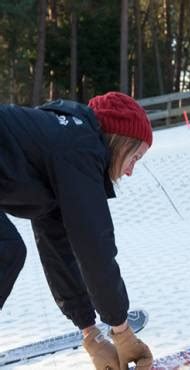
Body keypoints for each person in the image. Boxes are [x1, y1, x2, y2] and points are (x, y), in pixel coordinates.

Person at [0, 92, 153, 370]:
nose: (130, 171)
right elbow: (95, 248)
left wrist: (91, 333)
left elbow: (56, 248)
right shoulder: (80, 147)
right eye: (136, 157)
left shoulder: (61, 148)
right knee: (5, 251)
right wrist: (122, 331)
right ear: (121, 142)